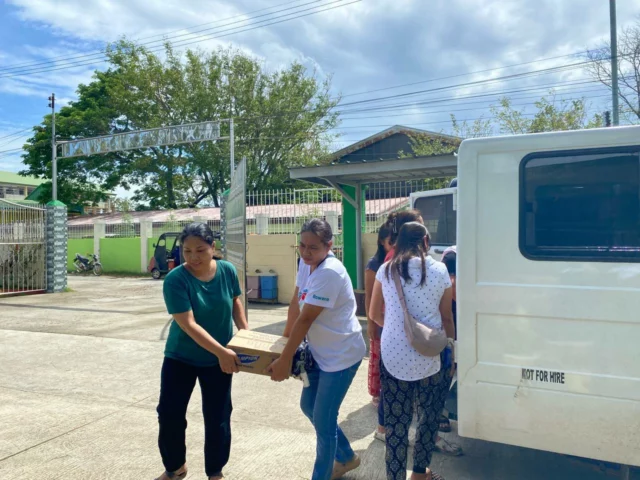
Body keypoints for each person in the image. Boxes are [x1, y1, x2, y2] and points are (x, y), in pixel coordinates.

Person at [268, 218, 366, 480]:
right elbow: (295, 304)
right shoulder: (307, 264)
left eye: (313, 247)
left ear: (329, 245)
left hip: (341, 356)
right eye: (302, 245)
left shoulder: (329, 273)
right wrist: (282, 345)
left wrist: (285, 358)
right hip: (321, 353)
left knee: (324, 422)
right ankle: (346, 457)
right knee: (309, 406)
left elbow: (307, 318)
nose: (306, 252)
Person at [155, 222, 248, 480]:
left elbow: (235, 301)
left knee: (218, 416)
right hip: (180, 358)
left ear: (213, 247)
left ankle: (215, 472)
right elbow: (187, 323)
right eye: (187, 251)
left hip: (219, 359)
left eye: (200, 250)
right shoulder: (176, 279)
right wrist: (221, 352)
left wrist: (245, 333)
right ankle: (175, 468)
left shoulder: (227, 270)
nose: (193, 257)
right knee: (170, 414)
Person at [370, 222, 456, 480]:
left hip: (393, 356)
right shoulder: (440, 270)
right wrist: (452, 349)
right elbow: (446, 318)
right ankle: (419, 474)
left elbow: (373, 313)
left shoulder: (386, 270)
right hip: (431, 356)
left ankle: (395, 476)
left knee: (396, 425)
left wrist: (400, 330)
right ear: (426, 242)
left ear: (398, 243)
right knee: (428, 418)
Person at [364, 223, 392, 442]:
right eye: (390, 240)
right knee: (378, 358)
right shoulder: (375, 264)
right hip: (379, 317)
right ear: (382, 241)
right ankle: (377, 394)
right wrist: (371, 322)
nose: (393, 243)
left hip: (391, 318)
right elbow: (368, 296)